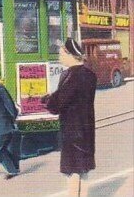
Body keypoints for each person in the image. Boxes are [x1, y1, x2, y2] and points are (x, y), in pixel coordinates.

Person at [41, 39, 97, 197]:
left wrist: (45, 99)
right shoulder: (90, 75)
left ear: (69, 55)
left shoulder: (71, 76)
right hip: (86, 129)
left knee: (72, 172)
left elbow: (57, 104)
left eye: (60, 54)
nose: (59, 57)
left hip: (72, 132)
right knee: (84, 170)